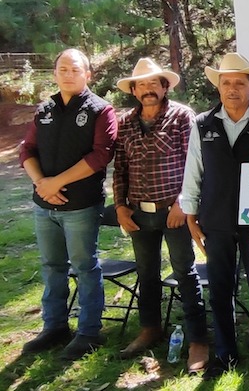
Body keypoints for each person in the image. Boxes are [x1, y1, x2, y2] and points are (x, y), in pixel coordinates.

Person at [179, 52, 249, 380]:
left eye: (240, 82)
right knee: (220, 289)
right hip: (216, 219)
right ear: (219, 88)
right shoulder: (202, 123)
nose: (233, 88)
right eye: (226, 83)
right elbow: (193, 172)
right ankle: (225, 354)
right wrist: (190, 217)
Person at [19, 48, 117, 360]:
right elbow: (27, 149)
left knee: (85, 267)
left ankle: (89, 331)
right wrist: (41, 183)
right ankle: (55, 326)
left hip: (80, 206)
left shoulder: (101, 110)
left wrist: (56, 182)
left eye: (75, 69)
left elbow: (101, 155)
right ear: (55, 73)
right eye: (63, 68)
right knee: (52, 267)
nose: (68, 74)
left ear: (88, 74)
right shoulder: (44, 109)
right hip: (44, 204)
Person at [113, 58, 208, 371]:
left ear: (165, 86)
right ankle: (150, 328)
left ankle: (197, 340)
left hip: (174, 212)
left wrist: (184, 203)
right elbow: (120, 168)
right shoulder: (125, 122)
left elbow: (194, 163)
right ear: (134, 90)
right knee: (146, 272)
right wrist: (120, 206)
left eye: (154, 83)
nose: (148, 89)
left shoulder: (182, 116)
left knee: (185, 272)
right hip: (139, 214)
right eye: (141, 84)